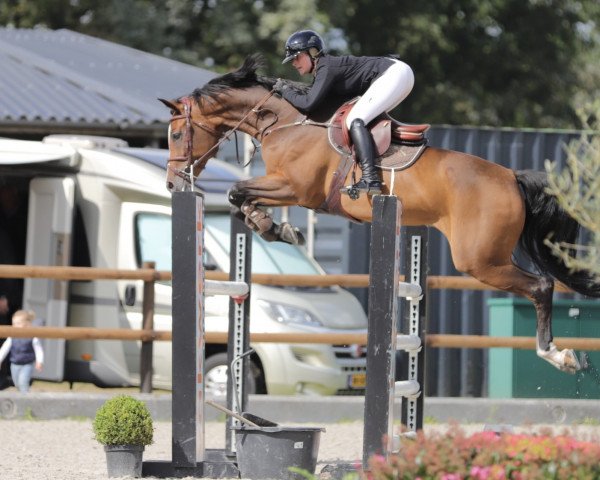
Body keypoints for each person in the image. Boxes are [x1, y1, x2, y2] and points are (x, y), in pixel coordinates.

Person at [274, 29, 415, 196]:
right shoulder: (325, 68)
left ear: (312, 52)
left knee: (355, 119)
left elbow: (308, 104)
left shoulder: (326, 67)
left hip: (393, 74)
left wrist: (284, 90)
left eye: (297, 57)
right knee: (362, 119)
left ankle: (370, 179)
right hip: (399, 74)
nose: (293, 63)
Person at [0, 310, 44, 393]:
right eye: (14, 324)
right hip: (14, 364)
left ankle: (25, 401)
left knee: (23, 383)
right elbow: (4, 349)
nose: (15, 326)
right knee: (17, 383)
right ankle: (24, 396)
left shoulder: (32, 337)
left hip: (27, 364)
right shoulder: (12, 337)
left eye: (18, 323)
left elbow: (39, 350)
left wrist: (39, 361)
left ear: (27, 325)